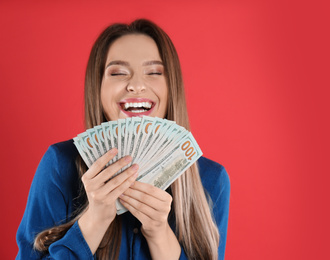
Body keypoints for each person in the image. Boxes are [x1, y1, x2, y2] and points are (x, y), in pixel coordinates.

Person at [16, 19, 230, 260]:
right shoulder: (59, 164)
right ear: (97, 88)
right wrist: (95, 220)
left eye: (154, 72)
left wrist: (159, 233)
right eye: (118, 73)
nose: (136, 86)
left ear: (172, 88)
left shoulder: (212, 181)